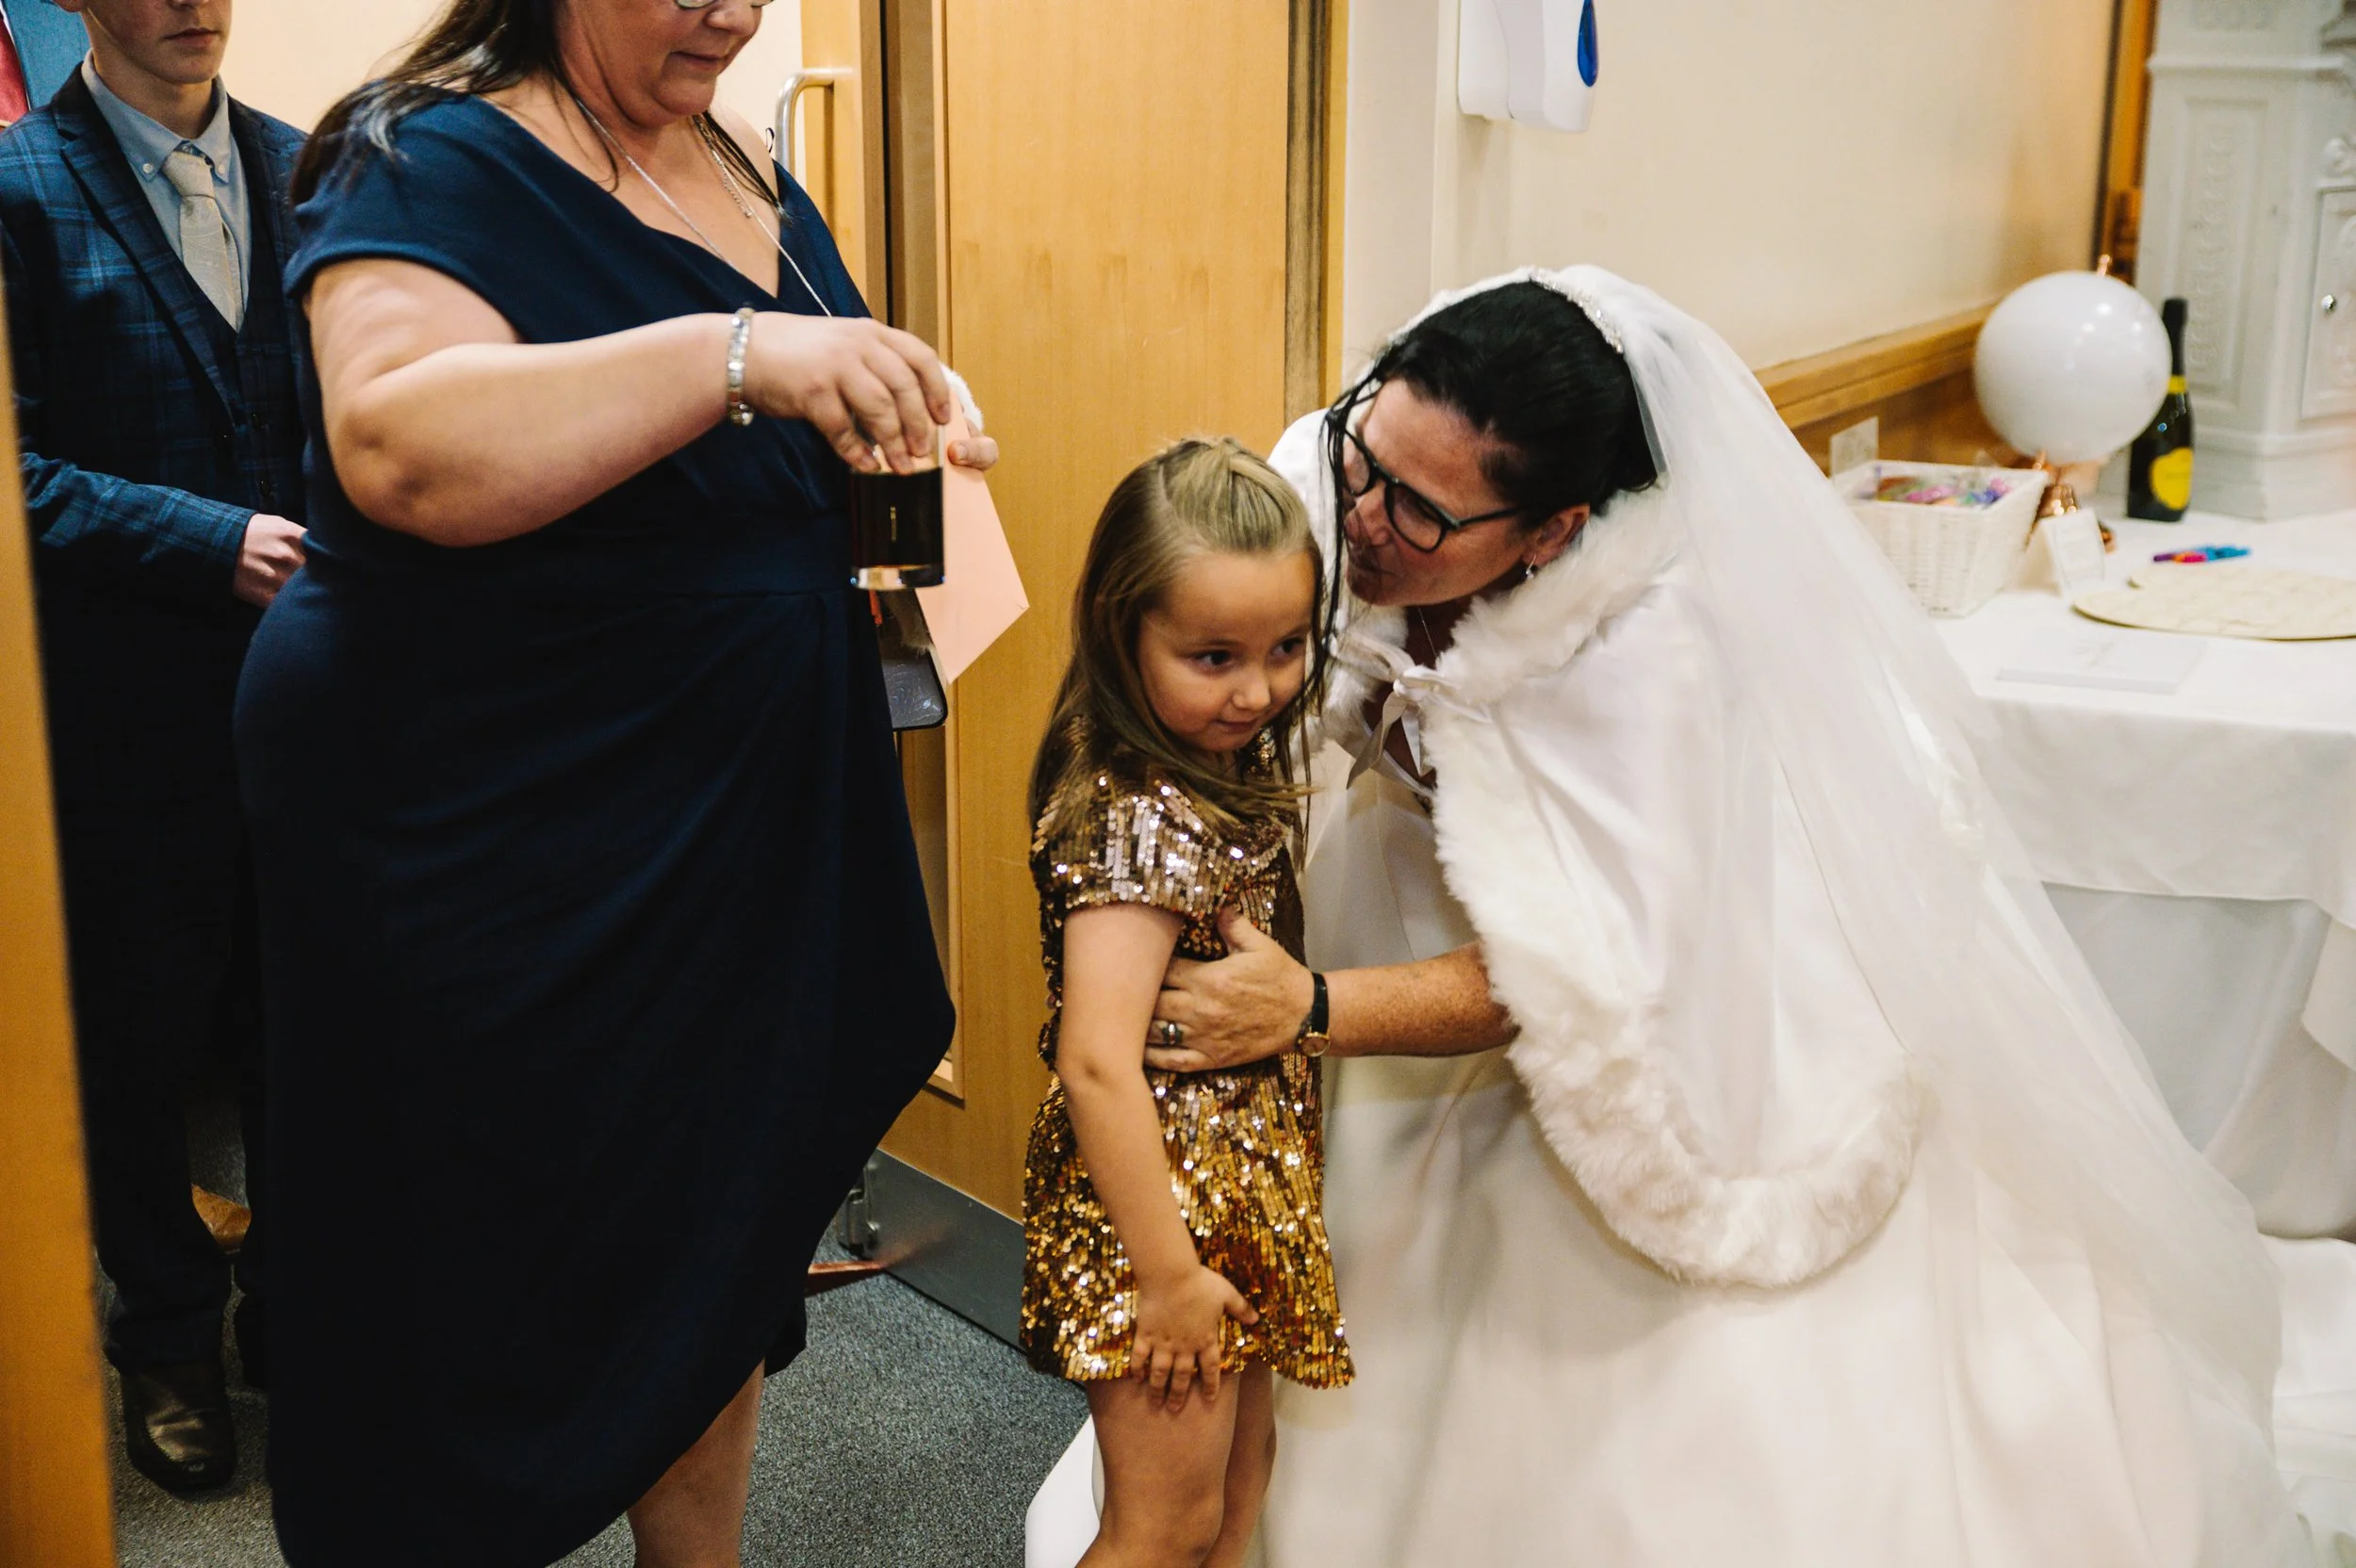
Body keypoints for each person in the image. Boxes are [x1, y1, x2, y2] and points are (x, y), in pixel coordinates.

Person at [1136, 269, 2312, 1564]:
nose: (1361, 515)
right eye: (1364, 454)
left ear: (1550, 532)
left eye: (1418, 511)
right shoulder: (1357, 464)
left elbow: (1582, 972)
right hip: (1421, 887)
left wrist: (1308, 1006)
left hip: (1674, 949)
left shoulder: (1651, 653)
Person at [234, 0, 992, 1561]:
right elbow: (400, 445)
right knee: (467, 1273)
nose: (732, 10)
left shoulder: (736, 156)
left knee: (715, 1234)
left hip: (729, 838)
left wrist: (889, 414)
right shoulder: (417, 154)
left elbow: (771, 421)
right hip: (500, 843)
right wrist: (739, 357)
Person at [0, 0, 303, 1494]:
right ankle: (166, 1336)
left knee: (306, 1023)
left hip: (312, 702)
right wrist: (203, 540)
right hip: (121, 714)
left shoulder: (313, 171)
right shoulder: (14, 190)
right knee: (135, 1039)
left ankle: (292, 1311)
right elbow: (9, 466)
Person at [1023, 438, 1351, 1568]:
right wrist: (1165, 1277)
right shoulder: (1133, 809)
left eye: (1285, 647)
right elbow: (1094, 1060)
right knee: (1161, 1527)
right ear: (1122, 631)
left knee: (1236, 1494)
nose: (1257, 689)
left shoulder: (1211, 758)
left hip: (1238, 1191)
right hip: (1157, 1216)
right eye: (1213, 656)